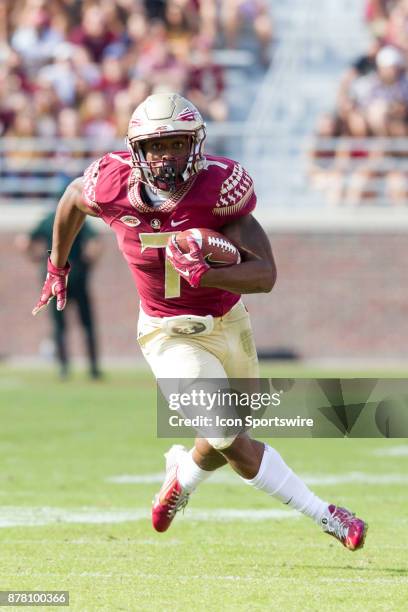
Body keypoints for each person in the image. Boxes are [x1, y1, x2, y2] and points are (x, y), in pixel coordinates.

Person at [32, 92, 367, 550]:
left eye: (177, 144)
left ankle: (180, 480)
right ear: (138, 152)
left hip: (229, 321)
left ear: (196, 145)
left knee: (223, 439)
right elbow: (72, 199)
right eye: (157, 146)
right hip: (168, 333)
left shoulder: (217, 189)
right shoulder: (111, 184)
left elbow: (265, 274)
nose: (167, 156)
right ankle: (326, 514)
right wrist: (57, 266)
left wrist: (210, 273)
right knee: (229, 436)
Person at [24, 208, 102, 379]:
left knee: (59, 326)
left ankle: (63, 368)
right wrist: (88, 263)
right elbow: (95, 243)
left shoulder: (48, 220)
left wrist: (36, 259)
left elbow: (23, 242)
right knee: (87, 324)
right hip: (77, 274)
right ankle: (93, 368)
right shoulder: (79, 219)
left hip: (55, 276)